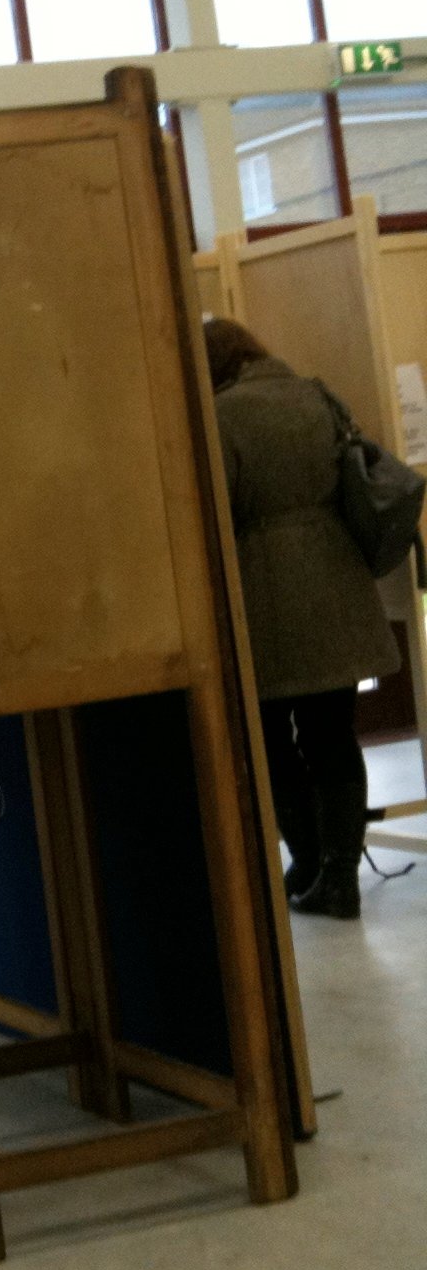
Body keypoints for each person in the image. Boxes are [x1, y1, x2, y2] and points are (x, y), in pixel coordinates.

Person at [205, 317, 399, 921]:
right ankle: (339, 874)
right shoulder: (318, 395)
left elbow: (221, 506)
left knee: (272, 743)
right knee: (334, 737)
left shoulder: (221, 415)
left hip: (265, 593)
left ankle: (310, 862)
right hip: (338, 582)